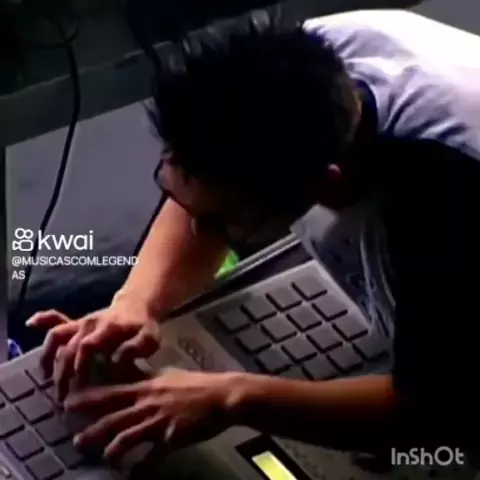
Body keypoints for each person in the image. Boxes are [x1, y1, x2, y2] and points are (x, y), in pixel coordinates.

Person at [27, 9, 480, 461]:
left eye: (223, 221)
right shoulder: (291, 67)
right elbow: (212, 187)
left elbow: (435, 408)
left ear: (327, 186)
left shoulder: (439, 206)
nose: (196, 231)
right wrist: (136, 301)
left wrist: (234, 397)